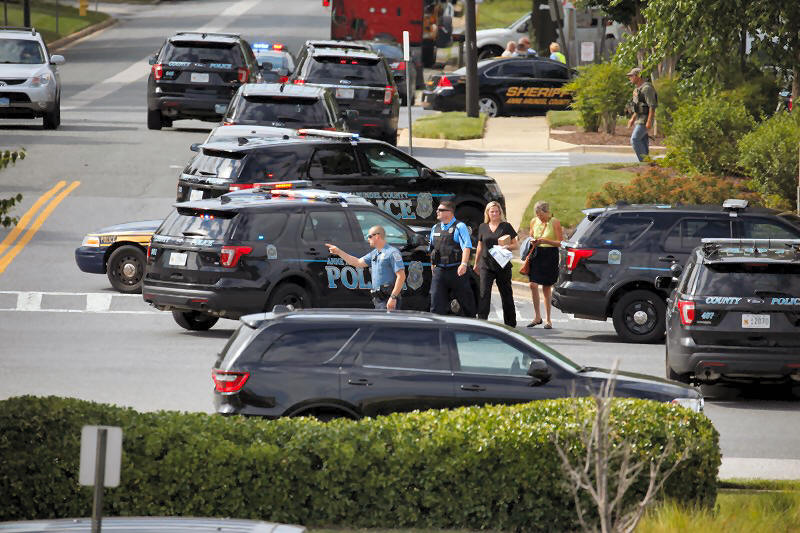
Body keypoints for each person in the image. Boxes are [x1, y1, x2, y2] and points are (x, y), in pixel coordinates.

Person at [326, 226, 406, 310]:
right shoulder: (374, 253)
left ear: (377, 236)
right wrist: (338, 252)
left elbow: (401, 276)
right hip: (378, 299)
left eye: (369, 236)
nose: (368, 239)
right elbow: (357, 262)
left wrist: (393, 297)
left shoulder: (392, 252)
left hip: (389, 298)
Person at [429, 200, 476, 317]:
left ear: (449, 212)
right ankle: (438, 326)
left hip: (456, 270)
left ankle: (472, 323)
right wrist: (432, 265)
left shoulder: (460, 226)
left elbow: (466, 246)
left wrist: (464, 264)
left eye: (440, 210)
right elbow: (432, 248)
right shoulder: (435, 228)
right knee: (436, 303)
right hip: (440, 271)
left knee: (466, 303)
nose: (437, 211)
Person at [474, 201, 518, 327]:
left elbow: (516, 245)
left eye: (496, 211)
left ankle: (510, 324)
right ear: (487, 213)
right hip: (486, 265)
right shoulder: (483, 227)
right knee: (484, 295)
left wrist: (507, 247)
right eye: (492, 211)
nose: (494, 214)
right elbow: (479, 246)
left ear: (500, 213)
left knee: (506, 294)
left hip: (502, 265)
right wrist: (476, 263)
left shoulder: (506, 226)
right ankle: (482, 323)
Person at [525, 201, 563, 329]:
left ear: (547, 212)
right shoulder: (533, 221)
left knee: (546, 287)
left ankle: (548, 319)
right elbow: (530, 236)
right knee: (533, 284)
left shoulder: (554, 222)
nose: (539, 217)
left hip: (550, 255)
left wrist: (545, 240)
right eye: (537, 215)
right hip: (537, 254)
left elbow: (560, 242)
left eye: (541, 215)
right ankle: (537, 317)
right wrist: (533, 241)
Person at [626, 67, 658, 162]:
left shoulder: (647, 88)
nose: (630, 78)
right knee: (643, 141)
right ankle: (648, 163)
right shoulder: (637, 90)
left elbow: (652, 106)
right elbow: (638, 106)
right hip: (639, 119)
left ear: (638, 76)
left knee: (635, 139)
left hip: (645, 119)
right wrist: (632, 119)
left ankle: (644, 162)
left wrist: (649, 121)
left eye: (631, 76)